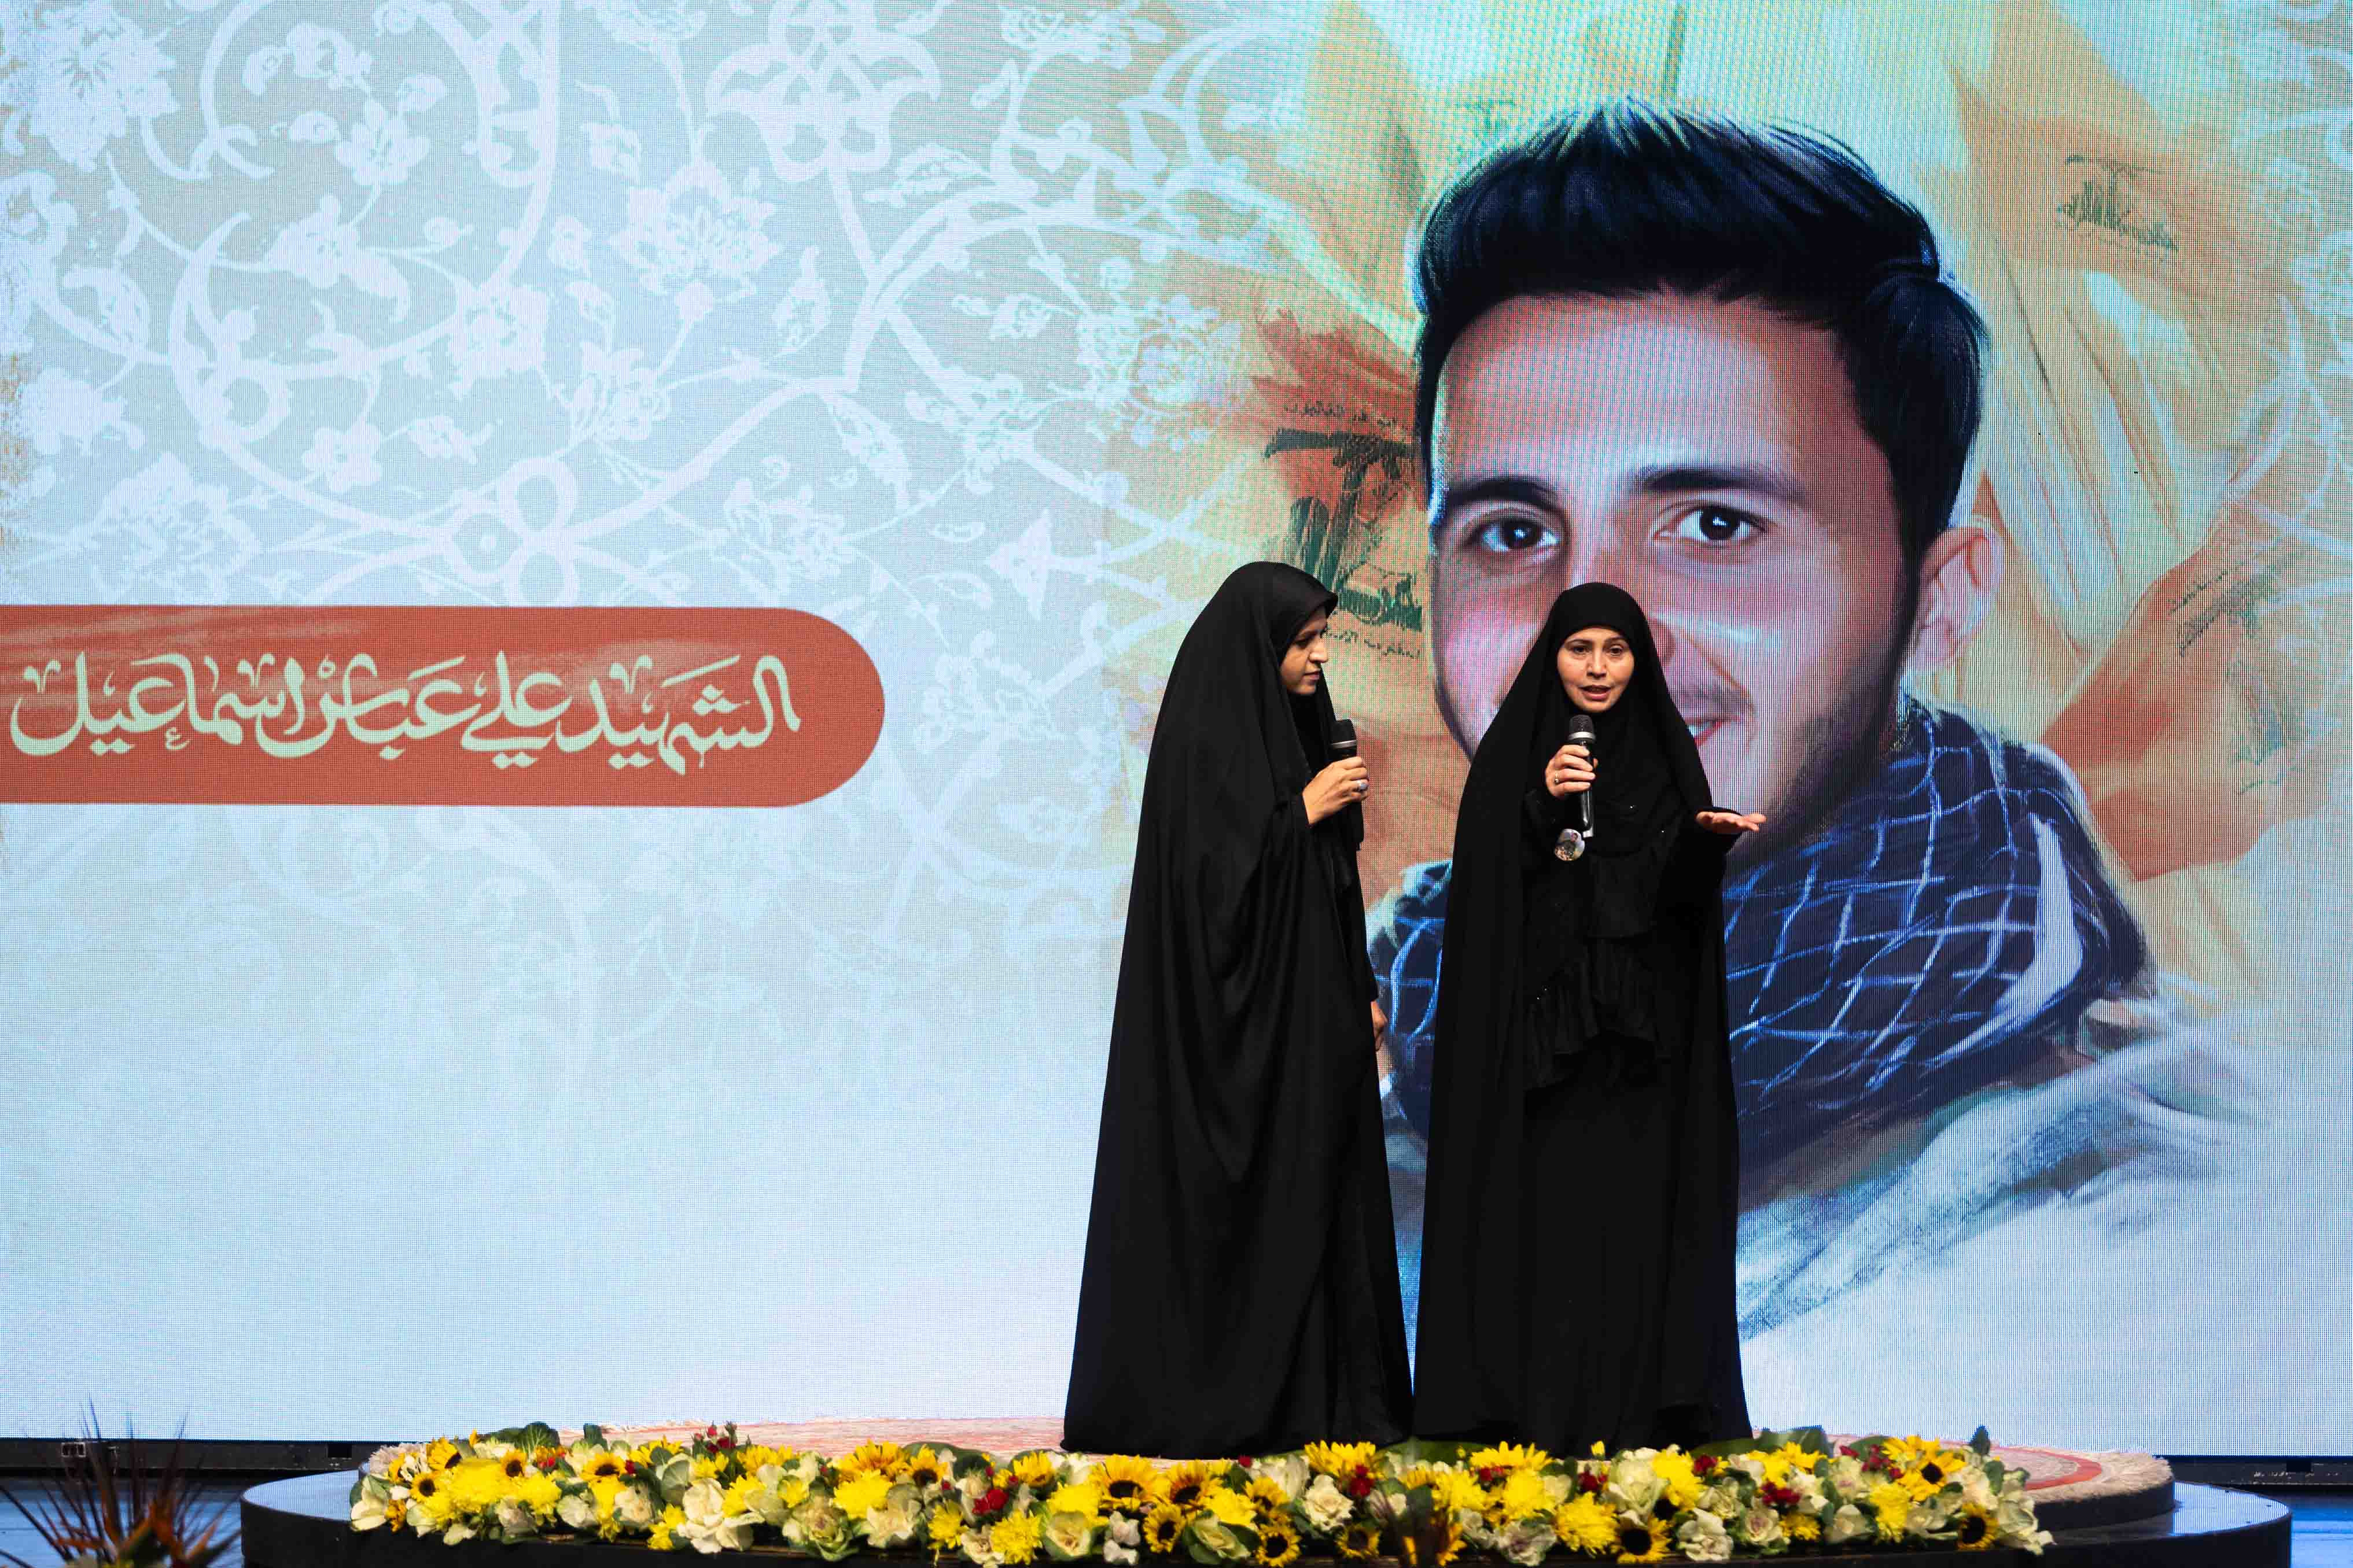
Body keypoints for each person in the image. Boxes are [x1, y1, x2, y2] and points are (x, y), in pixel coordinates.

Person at [1367, 100, 2168, 1346]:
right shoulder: (1340, 1162)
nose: (1592, 638)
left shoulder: (2158, 1208)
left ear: (1940, 600)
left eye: (1715, 527)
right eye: (1514, 533)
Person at [1065, 560, 1412, 1457]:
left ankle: (1329, 1405)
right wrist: (1300, 813)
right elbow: (1206, 897)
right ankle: (1234, 1403)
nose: (1319, 657)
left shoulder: (1304, 734)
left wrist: (1362, 987)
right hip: (1237, 1038)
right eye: (1303, 642)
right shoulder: (1206, 742)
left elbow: (1331, 887)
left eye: (1321, 640)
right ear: (1259, 648)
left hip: (1317, 1021)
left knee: (1328, 1196)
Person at [1412, 582, 1760, 1452]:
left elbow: (1675, 919)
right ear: (1553, 657)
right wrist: (1539, 803)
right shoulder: (1513, 762)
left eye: (1617, 650)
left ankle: (1638, 1424)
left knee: (1634, 1236)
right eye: (1580, 649)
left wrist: (1704, 845)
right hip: (1539, 1062)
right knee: (1546, 1236)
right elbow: (1492, 904)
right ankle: (1530, 1420)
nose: (1599, 668)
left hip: (1640, 1057)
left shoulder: (1669, 758)